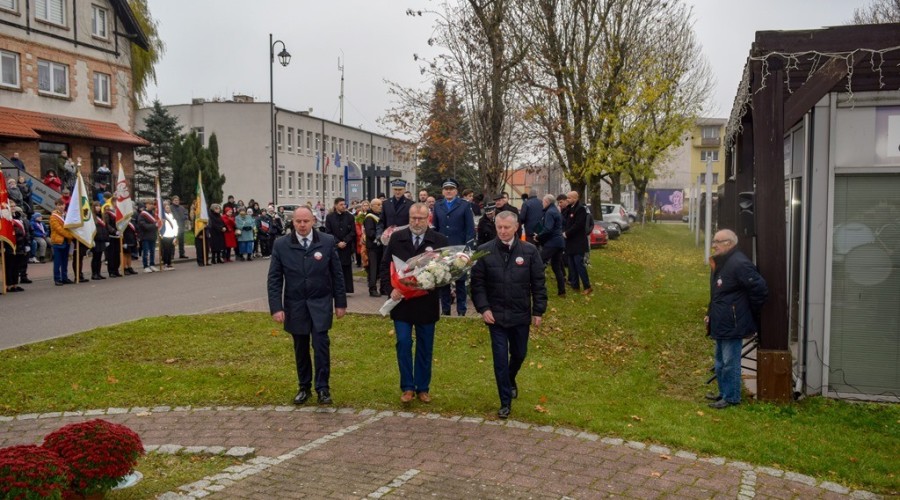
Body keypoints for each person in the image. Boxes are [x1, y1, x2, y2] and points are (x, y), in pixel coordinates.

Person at [471, 210, 547, 419]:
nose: (503, 232)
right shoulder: (484, 251)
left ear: (516, 228)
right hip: (495, 316)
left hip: (520, 314)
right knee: (500, 359)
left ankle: (511, 378)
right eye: (499, 228)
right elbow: (477, 285)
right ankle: (505, 401)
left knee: (519, 354)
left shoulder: (530, 251)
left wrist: (538, 310)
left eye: (507, 228)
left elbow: (538, 283)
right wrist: (484, 308)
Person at [267, 206, 347, 406]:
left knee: (321, 345)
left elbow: (337, 274)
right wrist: (276, 307)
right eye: (298, 222)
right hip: (295, 305)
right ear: (292, 222)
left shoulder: (327, 242)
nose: (302, 225)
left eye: (306, 221)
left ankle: (323, 388)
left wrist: (340, 303)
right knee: (300, 347)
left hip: (320, 303)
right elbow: (274, 279)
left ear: (313, 221)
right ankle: (304, 387)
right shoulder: (281, 245)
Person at [380, 202, 449, 403]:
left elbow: (446, 272)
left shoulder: (439, 240)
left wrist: (434, 283)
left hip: (426, 303)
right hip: (401, 301)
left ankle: (423, 387)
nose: (416, 222)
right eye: (413, 218)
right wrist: (389, 289)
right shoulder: (397, 237)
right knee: (403, 342)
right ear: (408, 218)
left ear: (428, 218)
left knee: (425, 346)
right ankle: (407, 387)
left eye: (421, 218)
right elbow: (386, 267)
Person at [705, 229, 768, 409]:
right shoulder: (724, 262)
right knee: (719, 363)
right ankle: (724, 393)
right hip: (721, 321)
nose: (714, 245)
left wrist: (745, 311)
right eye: (713, 241)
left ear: (729, 243)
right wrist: (710, 313)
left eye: (718, 241)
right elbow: (718, 293)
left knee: (730, 363)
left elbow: (760, 289)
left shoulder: (739, 263)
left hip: (732, 322)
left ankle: (732, 397)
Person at [432, 178, 475, 316]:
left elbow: (470, 229)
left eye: (451, 189)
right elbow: (435, 228)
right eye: (446, 189)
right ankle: (445, 310)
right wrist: (435, 247)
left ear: (456, 191)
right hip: (443, 249)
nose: (449, 191)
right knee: (444, 279)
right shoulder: (438, 205)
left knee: (460, 281)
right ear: (443, 191)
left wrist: (468, 248)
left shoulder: (464, 205)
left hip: (459, 248)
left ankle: (461, 311)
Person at [324, 197, 357, 294]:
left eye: (344, 204)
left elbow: (353, 232)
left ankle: (346, 289)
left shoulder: (350, 217)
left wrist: (345, 241)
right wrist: (338, 242)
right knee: (335, 267)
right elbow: (328, 232)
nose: (343, 206)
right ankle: (334, 288)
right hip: (335, 247)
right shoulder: (330, 217)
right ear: (336, 205)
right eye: (341, 205)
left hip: (346, 247)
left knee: (346, 268)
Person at [536, 194, 567, 296]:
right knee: (556, 267)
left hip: (552, 243)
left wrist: (538, 237)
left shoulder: (550, 212)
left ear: (547, 202)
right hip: (559, 242)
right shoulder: (556, 211)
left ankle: (538, 288)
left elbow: (548, 229)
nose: (542, 204)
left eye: (543, 202)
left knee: (538, 263)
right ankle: (562, 291)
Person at [562, 191, 591, 294]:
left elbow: (578, 225)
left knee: (579, 264)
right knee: (571, 265)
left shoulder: (580, 209)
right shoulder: (569, 208)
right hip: (570, 242)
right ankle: (575, 285)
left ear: (575, 198)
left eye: (569, 198)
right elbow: (565, 219)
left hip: (578, 242)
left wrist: (567, 233)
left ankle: (587, 286)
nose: (567, 200)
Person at [363, 198, 386, 297]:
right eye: (378, 204)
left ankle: (383, 288)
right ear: (372, 206)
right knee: (373, 269)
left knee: (381, 268)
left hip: (380, 246)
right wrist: (381, 236)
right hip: (373, 247)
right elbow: (370, 233)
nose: (380, 206)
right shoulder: (369, 217)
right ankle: (372, 289)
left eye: (381, 204)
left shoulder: (380, 215)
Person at [49, 198, 74, 285]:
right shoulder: (53, 216)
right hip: (58, 241)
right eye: (59, 205)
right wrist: (71, 236)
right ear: (56, 206)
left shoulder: (66, 215)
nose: (61, 207)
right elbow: (59, 230)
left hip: (66, 241)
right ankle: (57, 279)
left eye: (62, 205)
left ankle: (65, 277)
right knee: (57, 262)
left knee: (65, 261)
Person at [137, 203, 160, 273]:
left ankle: (152, 264)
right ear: (146, 205)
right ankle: (145, 266)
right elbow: (144, 225)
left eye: (152, 204)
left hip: (152, 235)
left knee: (152, 251)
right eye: (150, 204)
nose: (151, 205)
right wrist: (154, 225)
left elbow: (157, 223)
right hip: (145, 236)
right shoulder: (142, 214)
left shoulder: (154, 214)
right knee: (146, 252)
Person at [90, 201, 108, 280]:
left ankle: (98, 273)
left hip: (102, 239)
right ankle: (94, 274)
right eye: (96, 206)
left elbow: (105, 227)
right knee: (95, 257)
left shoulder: (102, 216)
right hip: (96, 239)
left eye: (99, 206)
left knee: (100, 257)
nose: (98, 207)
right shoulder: (92, 216)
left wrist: (106, 238)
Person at [103, 205, 122, 277]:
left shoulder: (118, 213)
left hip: (117, 236)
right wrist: (114, 231)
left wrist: (120, 230)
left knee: (117, 254)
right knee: (111, 255)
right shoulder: (107, 213)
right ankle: (111, 271)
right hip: (110, 236)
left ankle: (116, 270)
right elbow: (107, 225)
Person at [160, 202, 179, 270]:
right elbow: (161, 226)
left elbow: (176, 226)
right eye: (166, 208)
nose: (168, 209)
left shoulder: (172, 216)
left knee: (171, 250)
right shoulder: (163, 216)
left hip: (172, 235)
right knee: (166, 250)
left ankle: (169, 263)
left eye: (169, 208)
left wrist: (175, 235)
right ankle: (165, 263)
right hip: (165, 235)